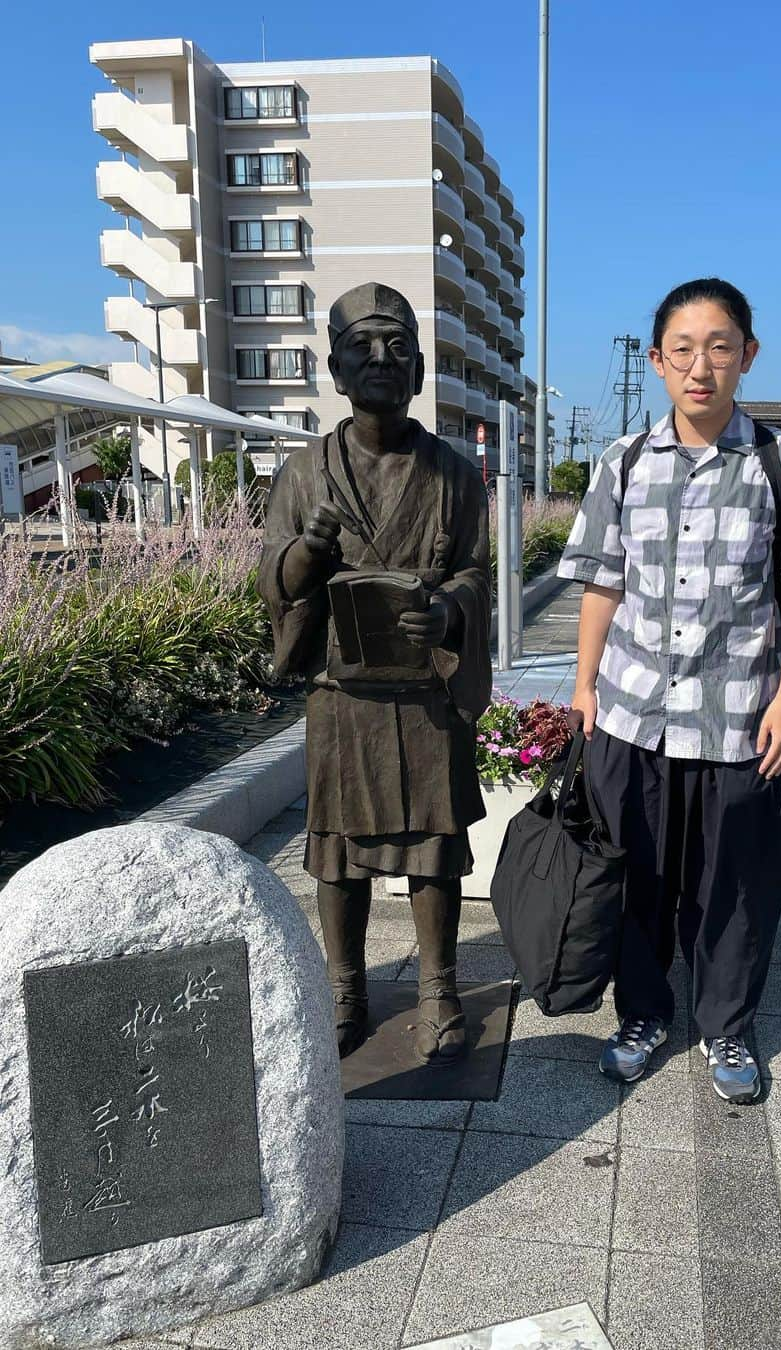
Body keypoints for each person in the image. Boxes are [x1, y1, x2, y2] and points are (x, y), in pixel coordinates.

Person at [558, 278, 781, 1103]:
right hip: (632, 716)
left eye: (719, 347)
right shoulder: (621, 465)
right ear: (657, 362)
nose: (701, 367)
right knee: (638, 881)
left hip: (737, 722)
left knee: (734, 887)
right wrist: (583, 687)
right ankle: (644, 1014)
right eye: (683, 349)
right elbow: (600, 584)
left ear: (747, 357)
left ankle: (726, 1026)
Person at [257, 282, 492, 1065]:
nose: (381, 360)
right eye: (363, 347)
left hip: (424, 694)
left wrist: (451, 614)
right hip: (343, 697)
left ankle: (439, 991)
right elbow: (273, 580)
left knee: (435, 848)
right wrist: (306, 552)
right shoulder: (304, 473)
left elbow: (475, 573)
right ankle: (344, 987)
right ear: (335, 368)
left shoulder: (456, 475)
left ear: (421, 368)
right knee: (339, 852)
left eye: (398, 346)